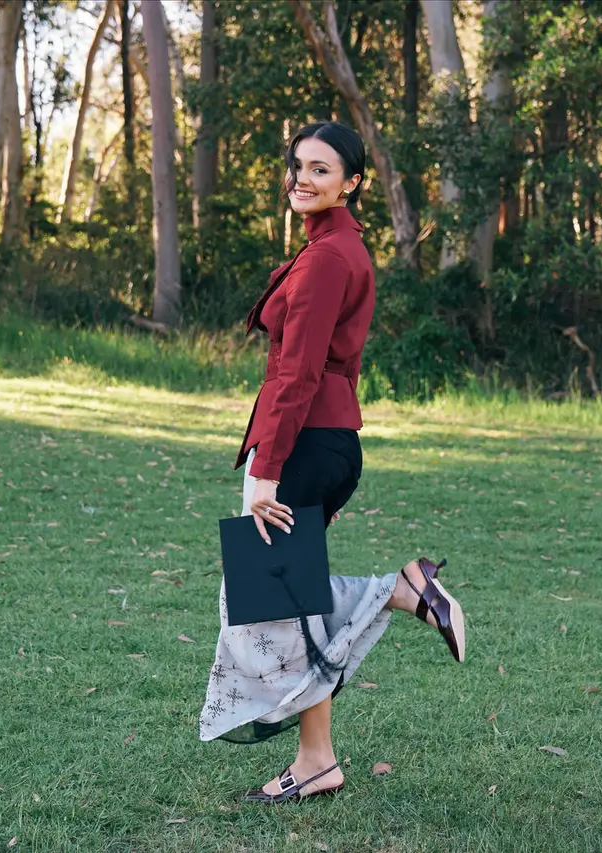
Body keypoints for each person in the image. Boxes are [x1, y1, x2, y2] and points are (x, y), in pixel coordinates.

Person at [199, 120, 465, 803]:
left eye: (321, 169)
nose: (302, 178)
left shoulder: (326, 258)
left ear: (352, 182)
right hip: (326, 440)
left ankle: (405, 590)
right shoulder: (339, 247)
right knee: (289, 600)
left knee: (265, 597)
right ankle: (316, 760)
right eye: (297, 166)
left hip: (304, 442)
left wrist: (264, 471)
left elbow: (297, 371)